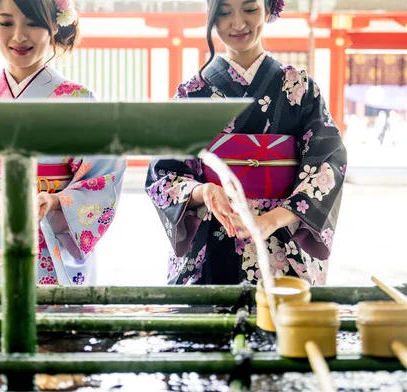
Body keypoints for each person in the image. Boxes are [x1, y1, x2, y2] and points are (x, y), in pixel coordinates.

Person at [0, 0, 126, 285]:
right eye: (6, 23)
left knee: (50, 327)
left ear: (54, 26)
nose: (19, 36)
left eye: (33, 23)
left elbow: (103, 177)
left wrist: (55, 201)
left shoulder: (80, 103)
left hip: (49, 242)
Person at [145, 0, 347, 285]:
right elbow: (163, 174)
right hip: (212, 239)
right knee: (206, 325)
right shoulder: (192, 94)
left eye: (249, 9)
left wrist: (271, 220)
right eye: (225, 12)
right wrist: (204, 191)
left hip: (281, 240)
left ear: (268, 10)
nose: (237, 23)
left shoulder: (299, 89)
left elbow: (329, 164)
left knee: (280, 324)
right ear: (212, 17)